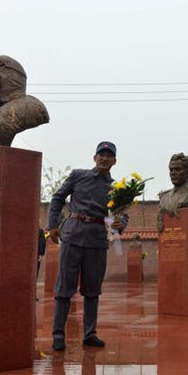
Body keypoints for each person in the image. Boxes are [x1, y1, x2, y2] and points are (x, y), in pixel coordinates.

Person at [47, 141, 127, 350]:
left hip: (97, 240)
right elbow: (58, 198)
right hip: (73, 235)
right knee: (64, 288)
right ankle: (58, 335)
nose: (105, 158)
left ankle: (90, 333)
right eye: (101, 154)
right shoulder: (78, 175)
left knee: (92, 290)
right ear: (94, 157)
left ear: (114, 161)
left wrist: (121, 223)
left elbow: (122, 213)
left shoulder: (117, 188)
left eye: (109, 155)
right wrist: (52, 225)